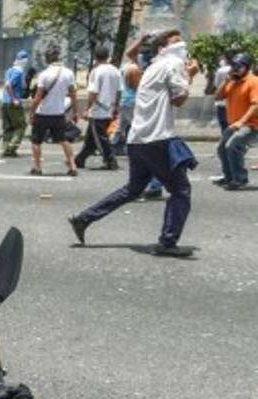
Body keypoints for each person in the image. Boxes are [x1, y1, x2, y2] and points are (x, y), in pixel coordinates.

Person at [69, 30, 201, 258]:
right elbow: (179, 99)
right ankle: (168, 243)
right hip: (157, 138)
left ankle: (84, 218)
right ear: (163, 48)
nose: (182, 44)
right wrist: (190, 74)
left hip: (138, 139)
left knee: (133, 189)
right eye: (176, 41)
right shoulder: (173, 63)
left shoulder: (153, 66)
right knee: (181, 190)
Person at [28, 45, 78, 176]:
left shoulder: (44, 75)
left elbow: (38, 97)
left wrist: (31, 112)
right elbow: (73, 94)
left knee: (36, 141)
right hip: (59, 113)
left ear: (47, 59)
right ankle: (72, 166)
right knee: (63, 140)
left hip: (43, 113)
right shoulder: (68, 73)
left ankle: (37, 167)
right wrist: (75, 112)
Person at [214, 53, 258, 190]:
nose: (235, 69)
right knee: (221, 148)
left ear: (247, 67)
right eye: (233, 66)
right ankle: (229, 177)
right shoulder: (232, 82)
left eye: (238, 66)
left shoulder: (253, 81)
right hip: (235, 124)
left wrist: (242, 121)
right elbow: (218, 96)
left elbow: (256, 105)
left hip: (252, 125)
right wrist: (226, 81)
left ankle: (239, 179)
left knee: (232, 146)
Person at [75, 46, 122, 170]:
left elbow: (93, 92)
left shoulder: (96, 71)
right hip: (109, 108)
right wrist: (116, 106)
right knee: (91, 138)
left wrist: (87, 109)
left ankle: (110, 160)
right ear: (108, 56)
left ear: (95, 57)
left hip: (98, 110)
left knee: (101, 138)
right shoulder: (115, 70)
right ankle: (80, 159)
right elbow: (119, 91)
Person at [0, 50, 29, 157]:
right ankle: (12, 148)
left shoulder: (9, 70)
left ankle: (5, 148)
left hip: (4, 102)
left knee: (8, 127)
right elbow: (8, 85)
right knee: (21, 126)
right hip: (13, 103)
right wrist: (14, 99)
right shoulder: (19, 72)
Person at [213, 54, 235, 133]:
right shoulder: (239, 69)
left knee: (224, 126)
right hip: (234, 103)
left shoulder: (220, 70)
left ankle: (226, 143)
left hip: (221, 102)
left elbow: (216, 85)